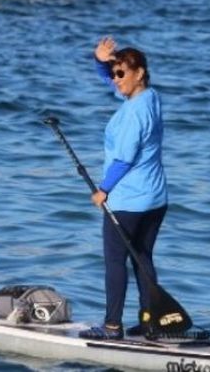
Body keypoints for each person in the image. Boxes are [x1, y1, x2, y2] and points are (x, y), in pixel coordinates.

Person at [79, 37, 169, 340]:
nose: (116, 80)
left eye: (121, 74)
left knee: (115, 262)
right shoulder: (150, 98)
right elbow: (112, 83)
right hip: (155, 199)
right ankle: (150, 322)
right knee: (143, 258)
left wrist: (103, 189)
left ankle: (112, 326)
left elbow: (124, 158)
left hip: (128, 201)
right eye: (114, 73)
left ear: (139, 73)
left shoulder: (133, 113)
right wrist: (100, 61)